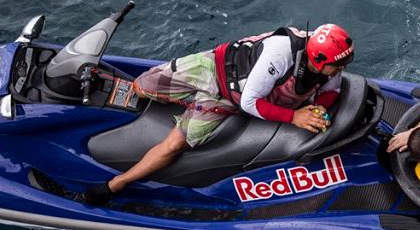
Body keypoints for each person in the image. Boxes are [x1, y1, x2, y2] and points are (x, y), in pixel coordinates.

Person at [81, 23, 355, 204]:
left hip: (227, 101)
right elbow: (252, 102)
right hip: (214, 68)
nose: (342, 67)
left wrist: (321, 107)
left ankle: (116, 185)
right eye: (338, 63)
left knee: (174, 145)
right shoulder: (280, 54)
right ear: (317, 59)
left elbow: (331, 89)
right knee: (140, 87)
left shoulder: (328, 66)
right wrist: (294, 117)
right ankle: (184, 97)